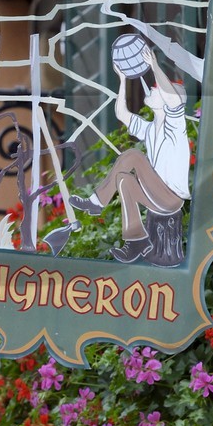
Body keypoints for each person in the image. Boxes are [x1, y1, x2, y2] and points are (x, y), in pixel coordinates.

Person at [71, 39, 190, 262]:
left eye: (158, 89)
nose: (154, 88)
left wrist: (154, 66)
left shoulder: (175, 124)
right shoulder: (151, 128)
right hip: (156, 198)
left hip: (170, 198)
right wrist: (123, 79)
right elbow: (122, 114)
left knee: (133, 156)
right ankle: (136, 241)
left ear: (166, 100)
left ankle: (96, 203)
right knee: (124, 180)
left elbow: (173, 98)